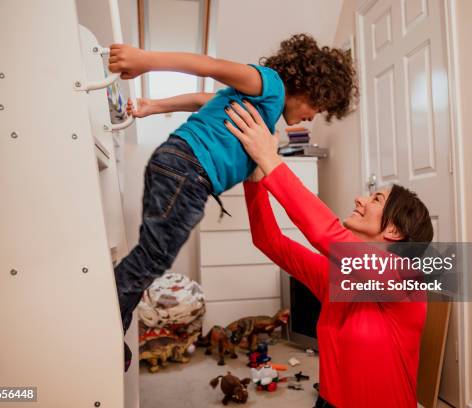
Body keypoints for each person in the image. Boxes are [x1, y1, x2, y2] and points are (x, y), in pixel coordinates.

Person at [107, 34, 358, 370]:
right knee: (152, 258)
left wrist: (153, 106)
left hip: (180, 168)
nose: (313, 117)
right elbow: (212, 66)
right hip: (189, 170)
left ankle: (111, 325)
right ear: (311, 87)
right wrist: (144, 60)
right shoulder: (270, 85)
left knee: (153, 258)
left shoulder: (260, 105)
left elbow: (202, 99)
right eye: (318, 107)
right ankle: (105, 325)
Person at [223, 101, 434, 408]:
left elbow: (326, 233)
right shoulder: (340, 277)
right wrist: (254, 179)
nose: (360, 200)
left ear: (394, 231)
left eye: (375, 199)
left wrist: (271, 159)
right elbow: (270, 241)